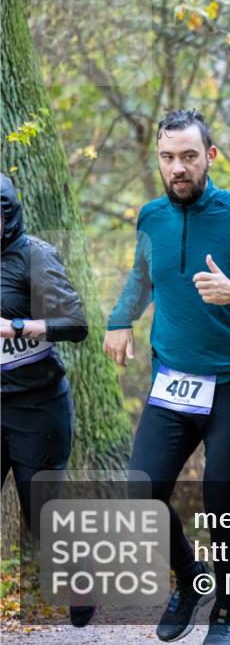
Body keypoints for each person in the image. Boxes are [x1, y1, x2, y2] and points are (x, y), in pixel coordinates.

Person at [103, 109, 230, 645]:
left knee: (221, 498)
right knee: (143, 493)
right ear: (159, 160)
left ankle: (227, 617)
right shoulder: (151, 217)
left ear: (210, 156)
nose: (178, 168)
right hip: (173, 381)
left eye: (189, 156)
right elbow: (143, 276)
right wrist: (120, 320)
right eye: (168, 158)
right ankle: (189, 581)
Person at [1, 174, 95, 627]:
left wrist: (17, 328)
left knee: (43, 514)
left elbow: (76, 325)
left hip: (36, 407)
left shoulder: (35, 256)